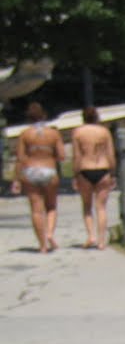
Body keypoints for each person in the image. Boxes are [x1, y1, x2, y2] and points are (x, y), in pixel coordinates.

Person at [10, 101, 65, 253]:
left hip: (30, 171)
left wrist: (16, 179)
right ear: (44, 116)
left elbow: (20, 158)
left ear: (29, 118)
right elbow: (62, 156)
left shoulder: (25, 134)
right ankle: (49, 233)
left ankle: (42, 245)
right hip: (49, 169)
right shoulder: (53, 133)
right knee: (51, 206)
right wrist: (49, 154)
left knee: (36, 210)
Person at [70, 106, 117, 249]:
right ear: (96, 117)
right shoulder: (104, 132)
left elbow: (77, 156)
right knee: (101, 207)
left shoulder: (78, 132)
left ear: (83, 118)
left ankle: (91, 235)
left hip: (85, 169)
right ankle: (101, 241)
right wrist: (112, 173)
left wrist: (75, 174)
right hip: (102, 168)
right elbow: (110, 154)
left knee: (87, 206)